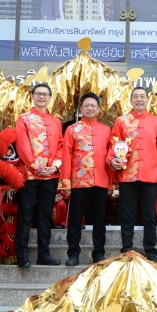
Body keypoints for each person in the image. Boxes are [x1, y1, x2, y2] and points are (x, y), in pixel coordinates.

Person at [108, 86, 157, 263]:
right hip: (127, 174)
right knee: (127, 214)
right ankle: (127, 247)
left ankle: (151, 251)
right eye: (136, 97)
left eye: (142, 96)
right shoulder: (121, 121)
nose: (139, 99)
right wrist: (112, 160)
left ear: (147, 100)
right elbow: (114, 145)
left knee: (149, 215)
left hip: (150, 174)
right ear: (131, 100)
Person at [14, 83, 64, 268]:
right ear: (32, 97)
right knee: (25, 213)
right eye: (38, 94)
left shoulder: (56, 121)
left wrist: (55, 165)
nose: (42, 97)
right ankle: (22, 254)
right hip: (29, 175)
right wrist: (36, 166)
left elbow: (60, 146)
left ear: (50, 98)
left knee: (45, 215)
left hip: (50, 175)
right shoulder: (24, 119)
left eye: (45, 94)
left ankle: (44, 254)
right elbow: (22, 145)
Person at [60, 92, 111, 266]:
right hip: (78, 181)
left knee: (99, 219)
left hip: (101, 180)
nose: (90, 108)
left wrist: (111, 181)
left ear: (98, 109)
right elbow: (66, 155)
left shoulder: (106, 130)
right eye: (86, 105)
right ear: (81, 109)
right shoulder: (72, 129)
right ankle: (73, 253)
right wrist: (65, 181)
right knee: (75, 219)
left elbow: (110, 155)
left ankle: (99, 253)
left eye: (93, 106)